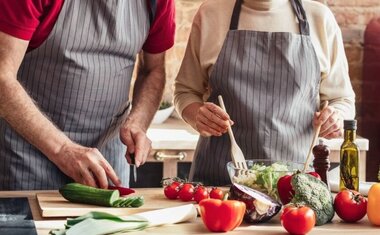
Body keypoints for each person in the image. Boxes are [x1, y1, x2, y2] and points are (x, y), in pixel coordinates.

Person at [174, 0, 355, 186]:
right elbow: (185, 91)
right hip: (220, 184)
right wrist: (197, 116)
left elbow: (342, 99)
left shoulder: (320, 18)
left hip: (298, 186)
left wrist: (337, 117)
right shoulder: (210, 14)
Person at [0, 0, 175, 190]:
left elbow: (153, 70)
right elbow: (2, 77)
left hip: (108, 158)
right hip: (27, 155)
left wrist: (138, 122)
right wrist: (62, 149)